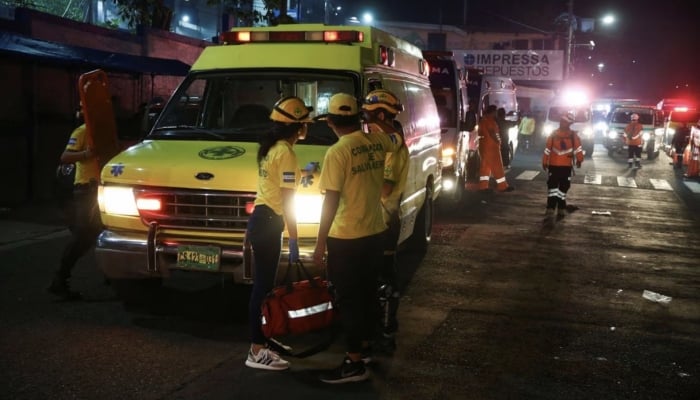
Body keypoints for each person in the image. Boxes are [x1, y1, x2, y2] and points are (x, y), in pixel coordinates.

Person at [312, 93, 403, 384]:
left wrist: (319, 241)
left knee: (349, 299)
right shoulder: (375, 141)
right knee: (366, 295)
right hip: (374, 233)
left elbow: (330, 201)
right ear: (358, 118)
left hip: (346, 236)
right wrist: (375, 119)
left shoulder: (337, 152)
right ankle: (364, 350)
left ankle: (353, 364)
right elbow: (397, 138)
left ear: (329, 121)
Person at [244, 96, 314, 371]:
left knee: (266, 286)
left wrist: (306, 173)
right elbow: (287, 200)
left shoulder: (272, 148)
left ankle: (265, 339)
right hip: (269, 222)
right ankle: (256, 349)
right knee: (262, 287)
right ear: (298, 128)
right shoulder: (285, 152)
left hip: (262, 220)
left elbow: (280, 182)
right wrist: (295, 236)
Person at [361, 89, 407, 354]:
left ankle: (385, 331)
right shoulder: (387, 140)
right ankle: (382, 328)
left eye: (367, 115)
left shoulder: (391, 145)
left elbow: (385, 189)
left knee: (384, 278)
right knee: (380, 275)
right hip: (381, 219)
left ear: (380, 115)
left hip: (384, 220)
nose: (364, 120)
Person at [47, 102, 102, 301]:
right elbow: (66, 157)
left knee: (100, 233)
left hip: (100, 190)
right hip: (86, 190)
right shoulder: (82, 131)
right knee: (83, 236)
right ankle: (59, 280)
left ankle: (115, 276)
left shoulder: (102, 132)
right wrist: (87, 154)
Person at [542, 112, 584, 222]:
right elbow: (547, 149)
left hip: (565, 166)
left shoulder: (573, 136)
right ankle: (551, 208)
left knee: (563, 187)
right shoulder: (554, 134)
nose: (562, 123)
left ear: (569, 124)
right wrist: (544, 161)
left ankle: (560, 206)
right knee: (553, 188)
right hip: (554, 166)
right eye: (561, 121)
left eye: (564, 122)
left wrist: (580, 160)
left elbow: (578, 149)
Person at [478, 105, 514, 192]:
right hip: (492, 147)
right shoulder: (490, 121)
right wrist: (498, 141)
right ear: (493, 112)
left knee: (485, 167)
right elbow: (492, 133)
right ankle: (502, 186)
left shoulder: (483, 120)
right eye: (495, 112)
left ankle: (483, 186)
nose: (496, 113)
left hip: (484, 146)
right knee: (497, 166)